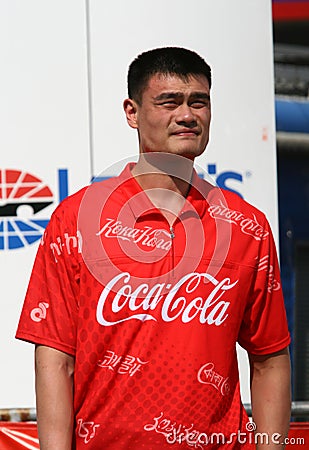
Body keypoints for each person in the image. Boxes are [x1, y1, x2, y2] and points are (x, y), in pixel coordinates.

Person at [16, 47, 291, 449]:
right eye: (169, 102)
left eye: (199, 102)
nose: (187, 115)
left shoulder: (246, 226)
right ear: (131, 112)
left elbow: (270, 358)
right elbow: (56, 359)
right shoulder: (75, 220)